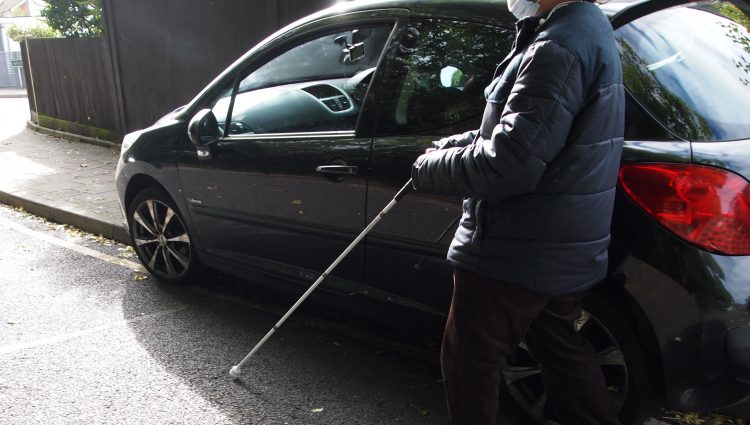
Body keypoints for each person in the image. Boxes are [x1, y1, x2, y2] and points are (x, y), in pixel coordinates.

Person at [410, 0, 624, 424]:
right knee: (561, 351)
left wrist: (426, 168)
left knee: (468, 362)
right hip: (556, 247)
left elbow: (508, 164)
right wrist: (456, 144)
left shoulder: (559, 46)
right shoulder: (585, 27)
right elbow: (522, 130)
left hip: (515, 251)